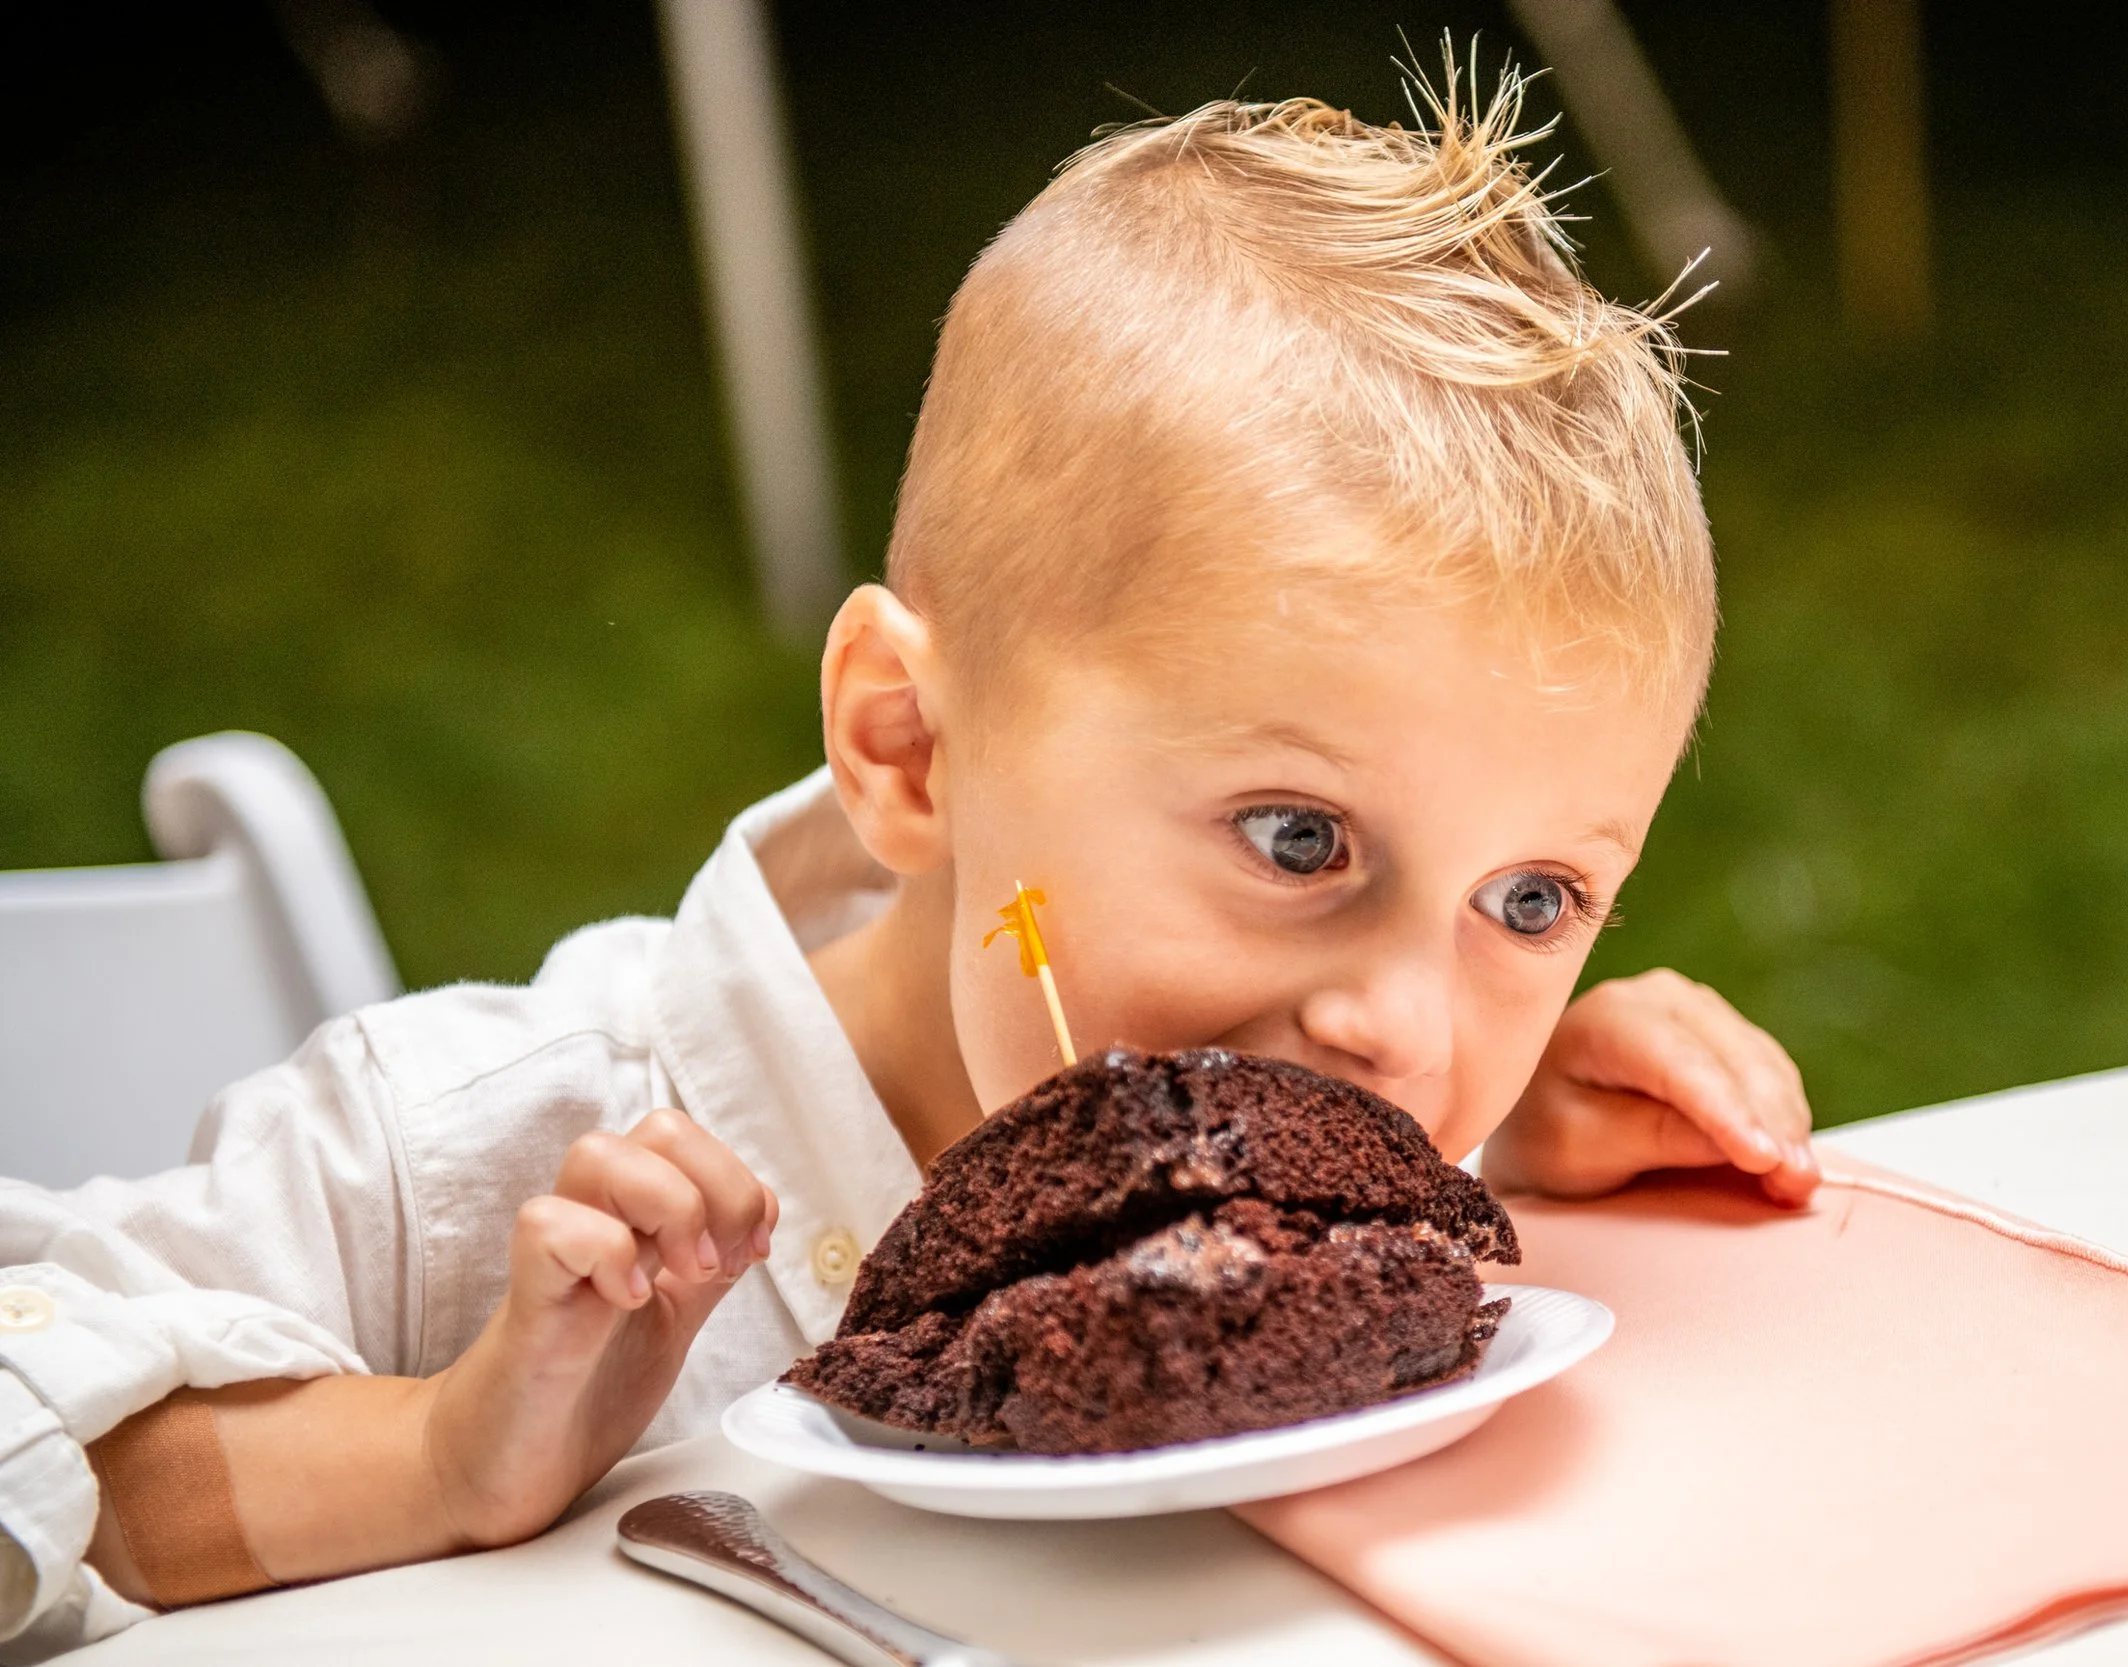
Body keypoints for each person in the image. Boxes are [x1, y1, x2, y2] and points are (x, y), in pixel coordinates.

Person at [0, 63, 1817, 1657]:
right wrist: (437, 1452)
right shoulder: (467, 1157)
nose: (1410, 1031)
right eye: (1298, 839)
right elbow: (45, 1431)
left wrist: (1527, 1149)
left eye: (1529, 901)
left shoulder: (1367, 1086)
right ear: (908, 747)